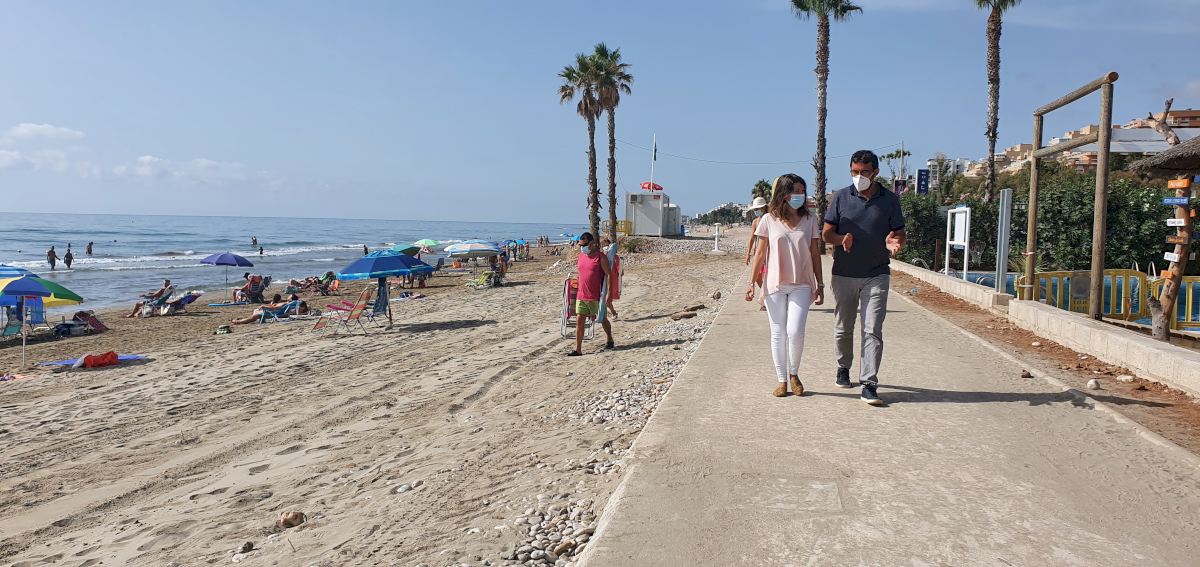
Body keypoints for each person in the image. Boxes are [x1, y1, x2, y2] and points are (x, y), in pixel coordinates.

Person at [821, 150, 906, 406]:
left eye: (864, 172)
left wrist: (895, 241)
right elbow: (826, 233)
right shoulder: (840, 197)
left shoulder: (890, 200)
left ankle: (869, 383)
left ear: (875, 172)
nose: (859, 176)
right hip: (844, 274)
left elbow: (899, 232)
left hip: (876, 273)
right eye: (854, 172)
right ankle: (843, 367)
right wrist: (841, 239)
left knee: (872, 329)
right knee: (843, 327)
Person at [745, 174, 824, 397]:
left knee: (795, 330)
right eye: (796, 191)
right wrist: (751, 283)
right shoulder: (768, 220)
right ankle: (782, 380)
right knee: (778, 332)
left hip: (802, 283)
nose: (800, 195)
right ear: (784, 193)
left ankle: (794, 373)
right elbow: (760, 253)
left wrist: (820, 283)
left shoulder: (810, 220)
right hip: (774, 283)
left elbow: (815, 253)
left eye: (802, 191)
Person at [568, 232, 615, 356]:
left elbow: (609, 275)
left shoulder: (600, 257)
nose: (582, 247)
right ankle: (578, 349)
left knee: (602, 319)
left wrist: (609, 294)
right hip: (581, 295)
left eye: (584, 245)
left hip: (595, 296)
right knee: (580, 320)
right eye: (580, 245)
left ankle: (610, 338)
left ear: (592, 244)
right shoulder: (581, 256)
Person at [744, 196, 770, 311]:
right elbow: (752, 238)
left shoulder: (771, 219)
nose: (756, 211)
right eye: (755, 209)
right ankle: (766, 296)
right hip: (758, 253)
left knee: (766, 276)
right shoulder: (755, 222)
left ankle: (765, 301)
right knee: (758, 277)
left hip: (768, 253)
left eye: (757, 209)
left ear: (764, 208)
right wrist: (748, 253)